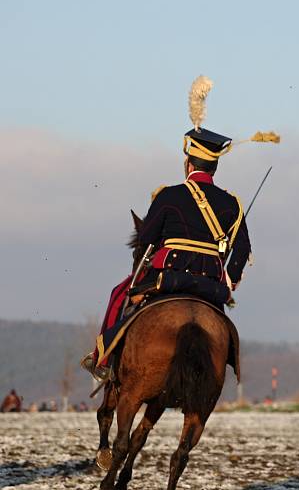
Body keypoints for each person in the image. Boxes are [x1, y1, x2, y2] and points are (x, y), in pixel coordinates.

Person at [80, 76, 270, 383]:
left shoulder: (168, 195)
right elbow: (243, 250)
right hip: (211, 284)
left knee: (119, 293)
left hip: (166, 275)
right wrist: (228, 282)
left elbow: (145, 239)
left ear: (188, 161)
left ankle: (101, 357)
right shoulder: (233, 204)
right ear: (214, 165)